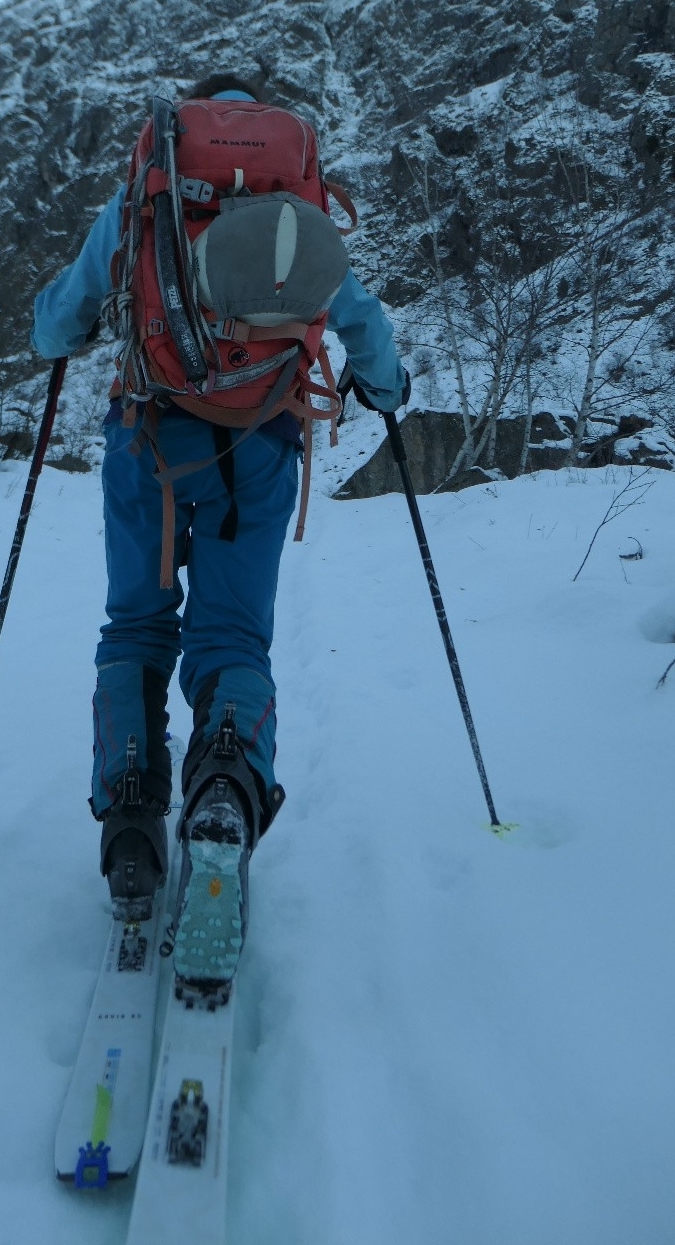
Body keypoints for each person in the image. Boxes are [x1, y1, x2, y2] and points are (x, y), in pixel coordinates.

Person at [31, 76, 407, 995]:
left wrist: (65, 332)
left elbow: (58, 322)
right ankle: (227, 788)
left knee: (135, 626)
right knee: (232, 637)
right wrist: (384, 388)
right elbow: (357, 315)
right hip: (260, 440)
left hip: (147, 435)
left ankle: (130, 812)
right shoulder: (295, 205)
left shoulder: (145, 196)